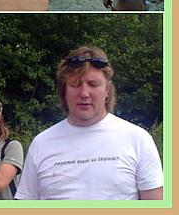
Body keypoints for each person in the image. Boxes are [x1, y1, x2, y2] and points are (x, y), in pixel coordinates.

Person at [15, 46, 163, 200]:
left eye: (93, 84)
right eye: (75, 85)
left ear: (107, 91)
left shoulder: (138, 139)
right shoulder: (41, 144)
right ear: (63, 91)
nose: (84, 94)